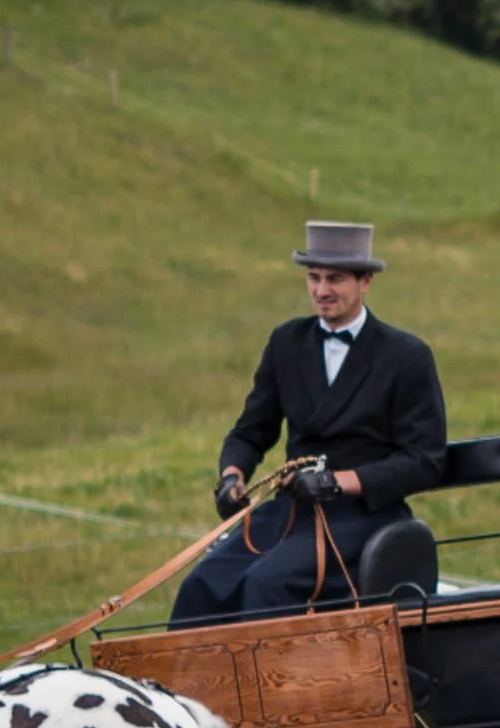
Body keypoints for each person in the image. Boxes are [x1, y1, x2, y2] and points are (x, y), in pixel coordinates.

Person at [173, 220, 448, 625]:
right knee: (201, 584)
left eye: (335, 279)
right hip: (291, 512)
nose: (321, 291)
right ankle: (180, 687)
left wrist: (338, 481)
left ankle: (267, 688)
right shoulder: (286, 343)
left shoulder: (407, 356)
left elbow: (425, 460)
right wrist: (231, 476)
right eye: (313, 278)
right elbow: (252, 431)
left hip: (362, 516)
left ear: (365, 281)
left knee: (266, 583)